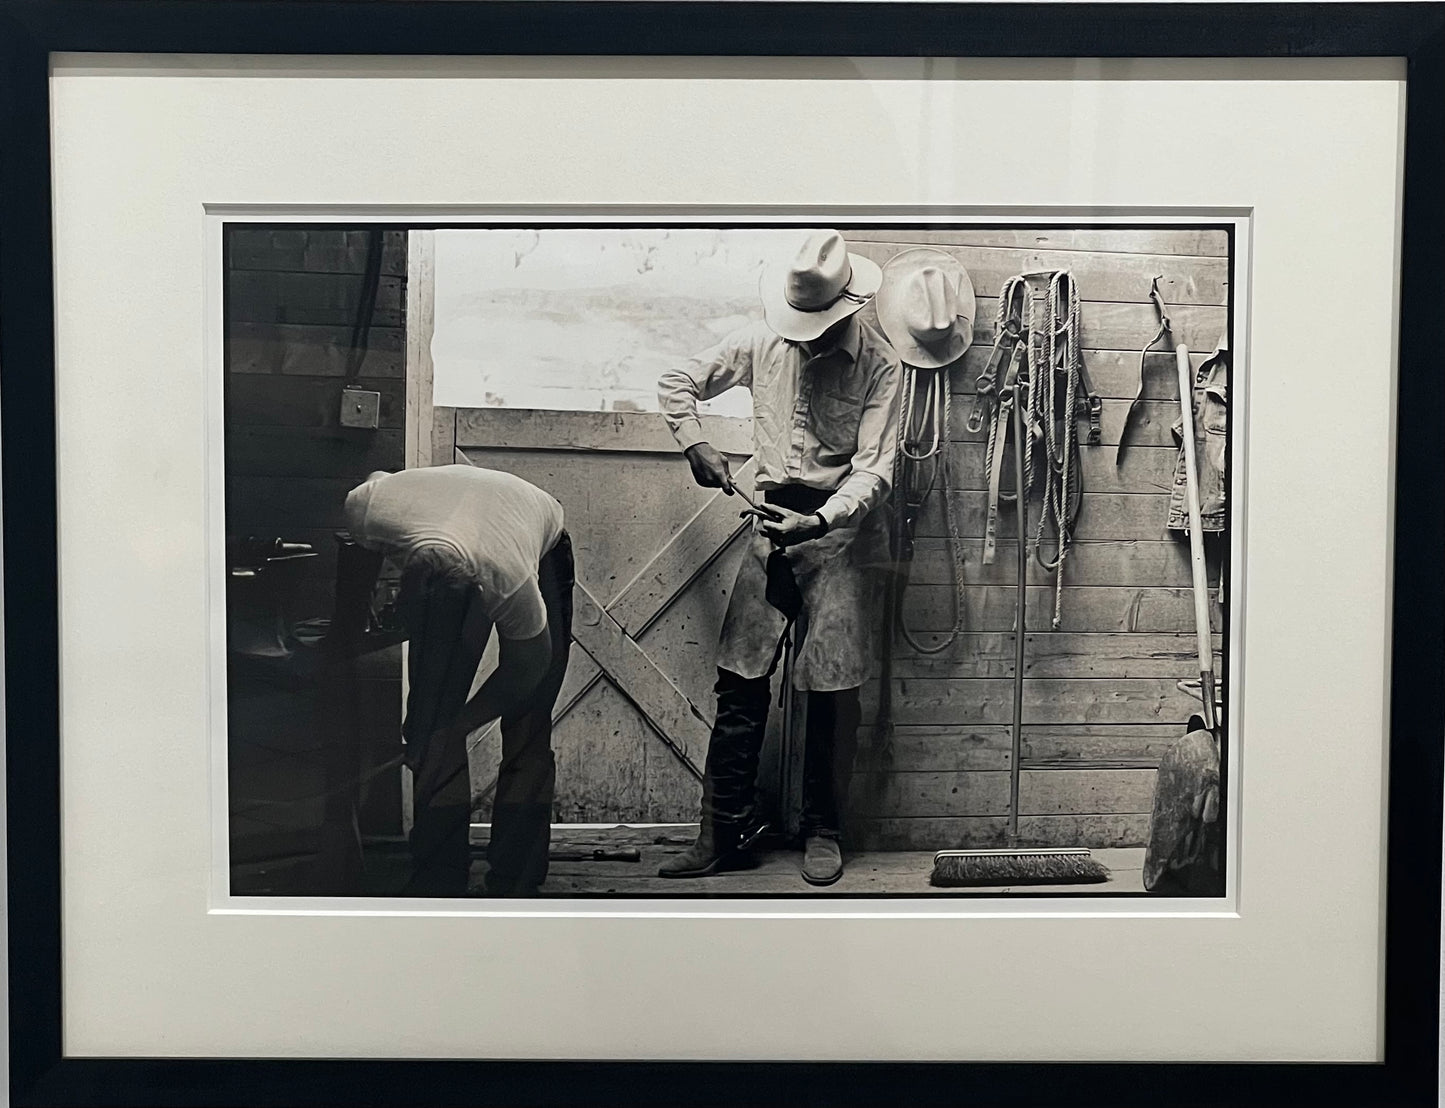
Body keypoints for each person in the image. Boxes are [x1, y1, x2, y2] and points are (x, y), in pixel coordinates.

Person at [656, 230, 903, 886]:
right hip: (768, 529)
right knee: (738, 684)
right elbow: (677, 380)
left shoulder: (881, 365)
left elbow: (875, 469)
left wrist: (820, 519)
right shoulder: (760, 341)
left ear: (847, 305)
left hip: (837, 537)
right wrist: (694, 442)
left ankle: (823, 829)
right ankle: (720, 831)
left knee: (833, 692)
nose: (808, 338)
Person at [342, 464, 573, 897]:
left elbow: (529, 666)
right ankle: (438, 874)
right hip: (466, 518)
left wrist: (460, 727)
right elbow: (375, 476)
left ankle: (514, 879)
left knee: (528, 720)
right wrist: (352, 620)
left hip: (533, 533)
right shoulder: (366, 508)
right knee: (431, 711)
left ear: (478, 595)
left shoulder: (507, 577)